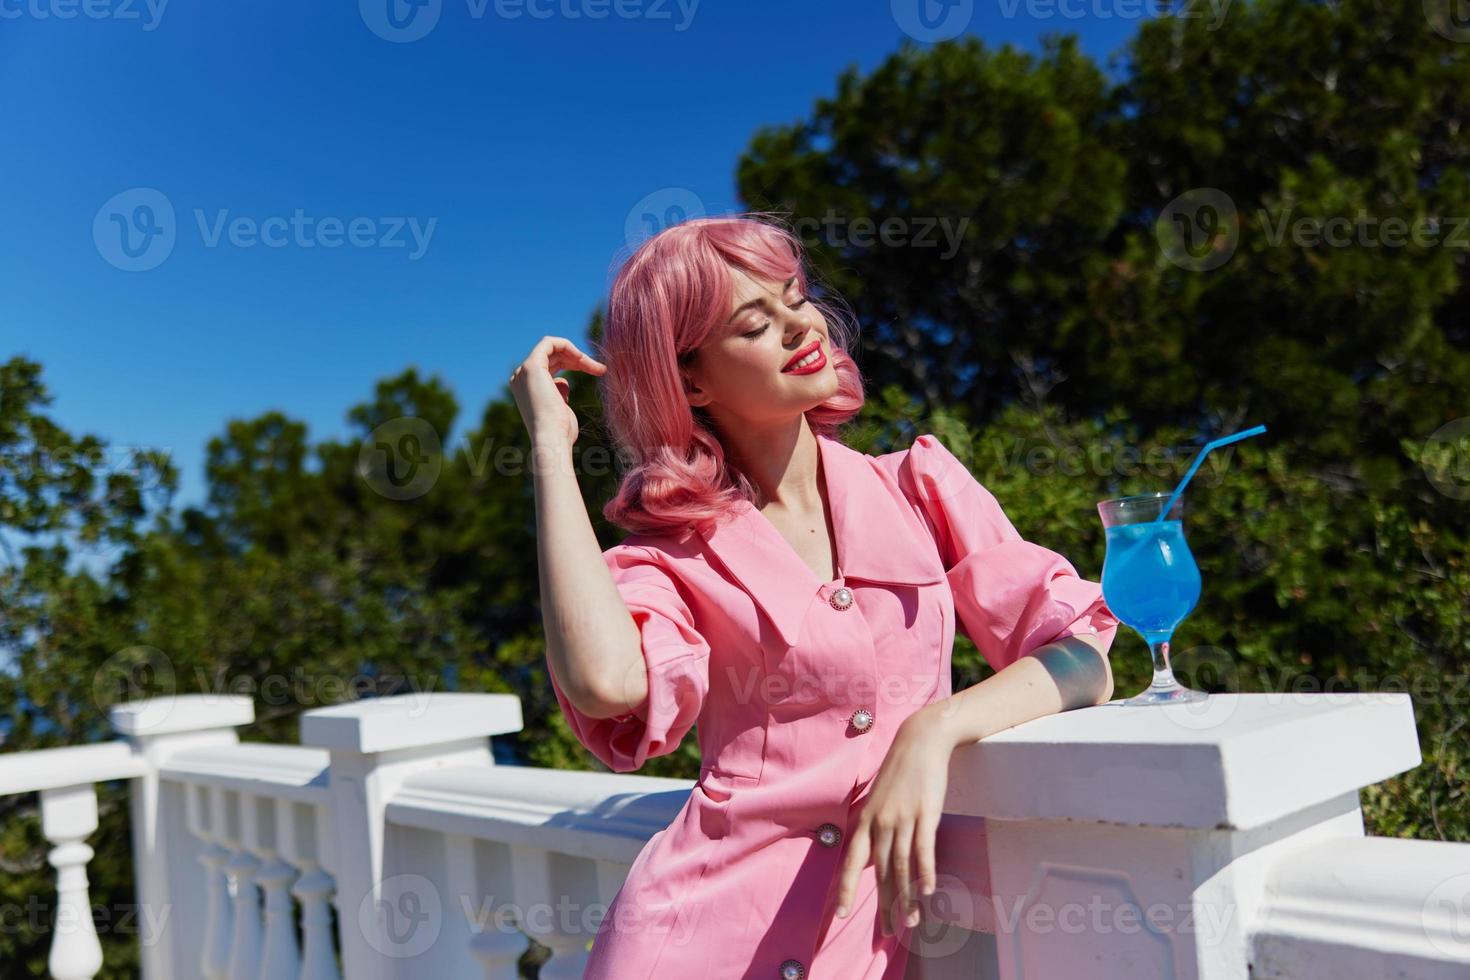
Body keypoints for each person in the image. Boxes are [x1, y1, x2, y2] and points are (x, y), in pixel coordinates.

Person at [509, 213, 1119, 979]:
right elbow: (606, 685)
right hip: (689, 944)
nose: (801, 326)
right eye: (755, 322)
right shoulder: (672, 556)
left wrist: (936, 728)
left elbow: (1084, 659)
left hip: (864, 950)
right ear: (691, 379)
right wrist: (547, 450)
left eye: (795, 297)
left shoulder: (920, 488)